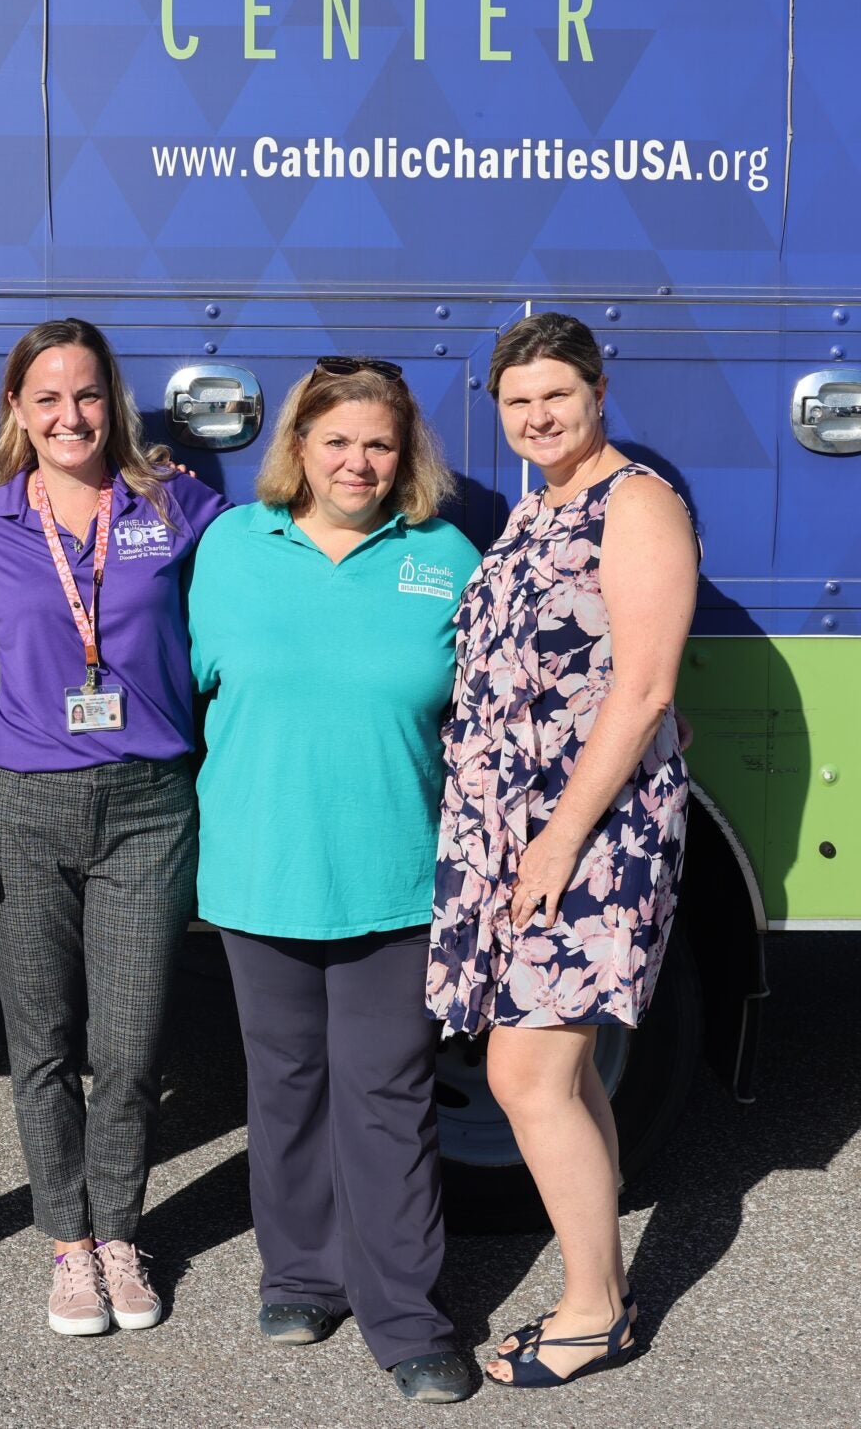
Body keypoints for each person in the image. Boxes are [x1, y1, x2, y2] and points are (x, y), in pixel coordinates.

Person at [185, 358, 484, 1405]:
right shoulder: (230, 546)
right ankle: (302, 1276)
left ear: (406, 456)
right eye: (337, 440)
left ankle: (407, 1319)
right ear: (299, 448)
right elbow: (180, 686)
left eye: (380, 443)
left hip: (396, 877)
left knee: (389, 1098)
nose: (358, 462)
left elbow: (494, 708)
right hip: (260, 869)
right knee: (285, 1086)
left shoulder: (445, 556)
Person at [427, 312, 698, 1389]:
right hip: (519, 826)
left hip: (581, 831)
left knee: (525, 1070)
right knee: (561, 1068)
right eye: (518, 402)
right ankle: (604, 1287)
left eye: (557, 396)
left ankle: (594, 1310)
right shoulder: (539, 507)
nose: (538, 417)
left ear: (598, 392)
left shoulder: (636, 504)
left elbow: (642, 689)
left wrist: (555, 841)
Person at [0, 319, 226, 1336]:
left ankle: (119, 1230)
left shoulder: (176, 505)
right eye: (47, 398)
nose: (69, 416)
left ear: (110, 402)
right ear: (20, 413)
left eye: (87, 395)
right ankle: (67, 1246)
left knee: (128, 1045)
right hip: (21, 806)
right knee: (43, 1043)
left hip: (150, 807)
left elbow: (249, 604)